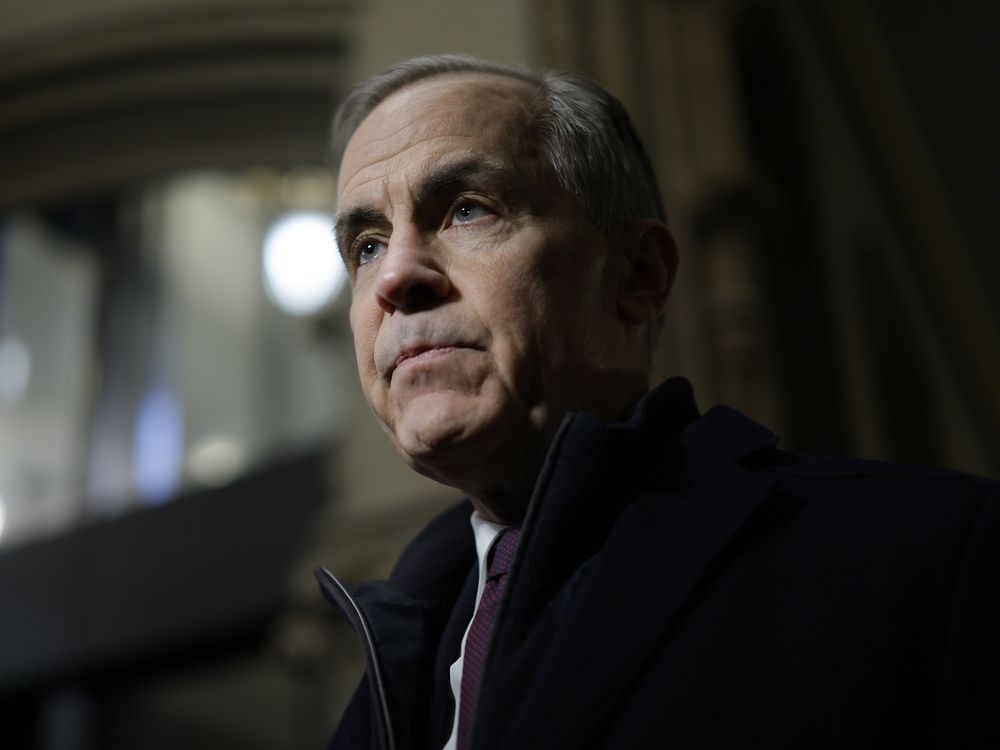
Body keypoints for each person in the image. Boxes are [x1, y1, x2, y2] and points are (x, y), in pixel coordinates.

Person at [315, 54, 999, 750]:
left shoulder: (930, 559)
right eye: (367, 246)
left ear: (639, 274)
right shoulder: (392, 668)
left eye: (466, 210)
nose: (396, 275)